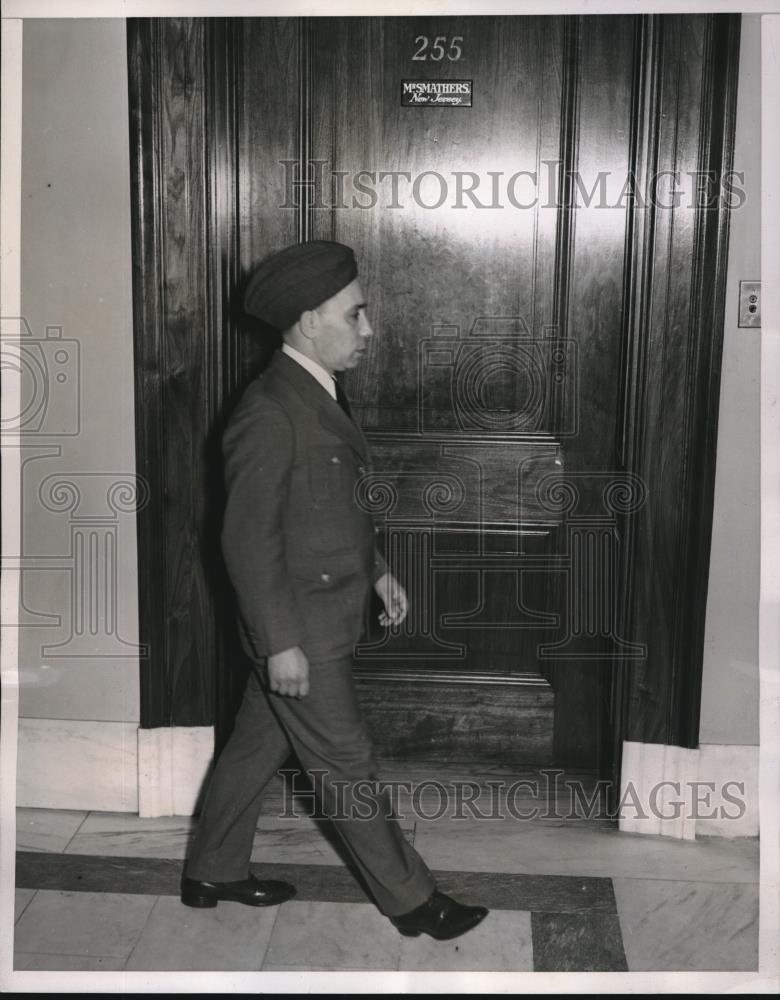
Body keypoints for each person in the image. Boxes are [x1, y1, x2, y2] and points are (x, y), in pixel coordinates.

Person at [181, 240, 488, 941]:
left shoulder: (313, 392)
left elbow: (328, 508)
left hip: (317, 614)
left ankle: (212, 867)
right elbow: (247, 541)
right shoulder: (267, 413)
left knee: (256, 747)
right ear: (309, 320)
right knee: (346, 765)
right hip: (299, 629)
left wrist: (377, 569)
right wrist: (280, 643)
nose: (369, 330)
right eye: (357, 315)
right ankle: (412, 901)